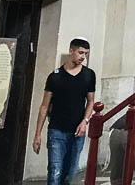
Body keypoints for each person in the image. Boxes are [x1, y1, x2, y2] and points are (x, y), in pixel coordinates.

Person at [32, 38, 97, 185]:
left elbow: (91, 101)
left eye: (85, 54)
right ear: (71, 51)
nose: (83, 57)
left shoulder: (88, 75)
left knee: (70, 172)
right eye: (80, 53)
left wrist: (85, 121)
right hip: (57, 129)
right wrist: (37, 135)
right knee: (55, 171)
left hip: (77, 131)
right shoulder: (55, 77)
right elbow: (44, 106)